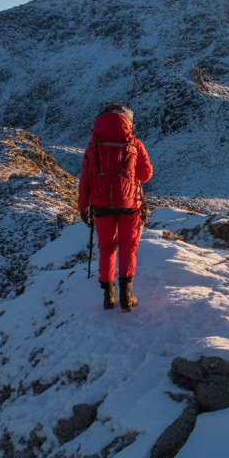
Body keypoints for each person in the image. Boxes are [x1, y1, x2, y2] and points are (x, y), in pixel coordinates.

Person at [78, 103, 153, 311]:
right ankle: (127, 297)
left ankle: (108, 295)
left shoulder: (93, 146)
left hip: (101, 205)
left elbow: (84, 180)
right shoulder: (134, 143)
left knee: (106, 247)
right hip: (129, 203)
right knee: (128, 247)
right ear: (128, 122)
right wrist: (129, 174)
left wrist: (83, 207)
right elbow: (146, 175)